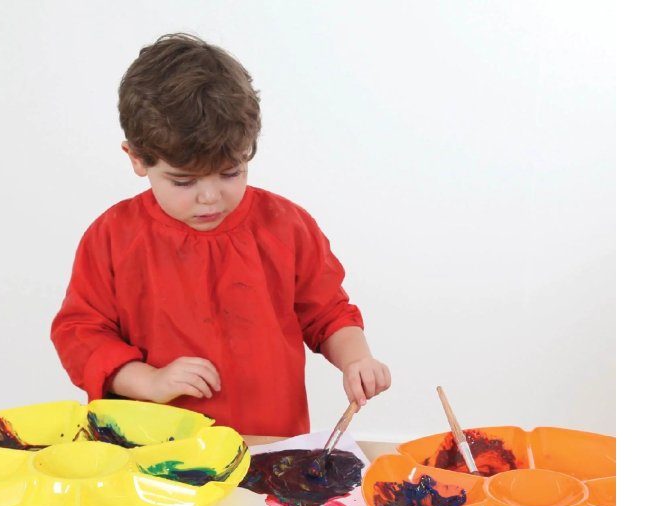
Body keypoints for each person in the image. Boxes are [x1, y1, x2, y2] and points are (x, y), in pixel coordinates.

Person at [50, 33, 391, 437]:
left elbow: (328, 313)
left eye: (231, 173)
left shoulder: (286, 225)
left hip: (266, 446)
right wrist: (150, 381)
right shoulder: (112, 237)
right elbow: (81, 336)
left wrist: (356, 360)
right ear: (137, 159)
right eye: (184, 181)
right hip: (150, 449)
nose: (210, 197)